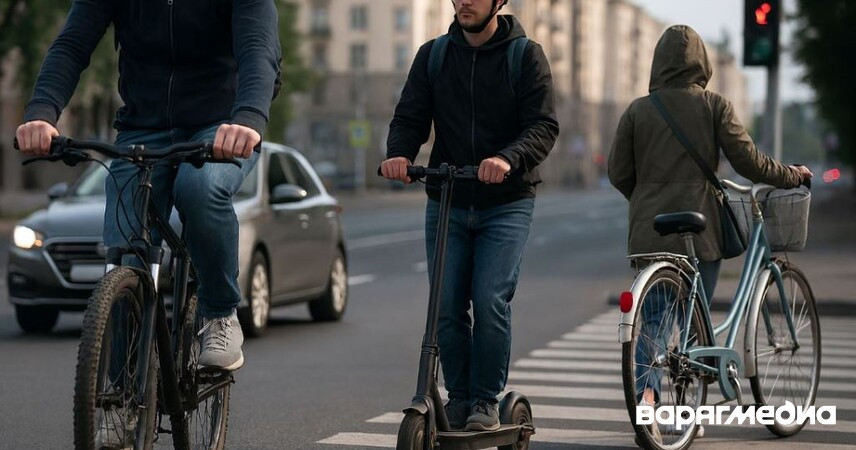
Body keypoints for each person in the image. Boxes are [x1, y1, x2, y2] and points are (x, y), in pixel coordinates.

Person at [15, 1, 281, 374]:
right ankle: (122, 389)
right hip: (142, 127)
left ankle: (219, 314)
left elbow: (258, 49)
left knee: (200, 189)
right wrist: (42, 113)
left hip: (221, 128)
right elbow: (72, 44)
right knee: (126, 251)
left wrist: (249, 118)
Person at [608, 24, 812, 441]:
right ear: (701, 62)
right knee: (693, 324)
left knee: (653, 322)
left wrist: (646, 198)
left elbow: (617, 172)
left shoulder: (637, 111)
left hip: (650, 231)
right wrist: (791, 175)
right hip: (700, 229)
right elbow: (749, 162)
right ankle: (688, 413)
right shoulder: (714, 106)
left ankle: (648, 403)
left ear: (658, 62)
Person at [381, 0, 558, 432]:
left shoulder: (525, 55)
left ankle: (484, 399)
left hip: (507, 201)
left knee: (490, 299)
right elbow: (410, 116)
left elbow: (542, 126)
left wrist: (508, 158)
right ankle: (458, 398)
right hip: (449, 197)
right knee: (446, 304)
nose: (464, 1)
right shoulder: (434, 55)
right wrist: (399, 153)